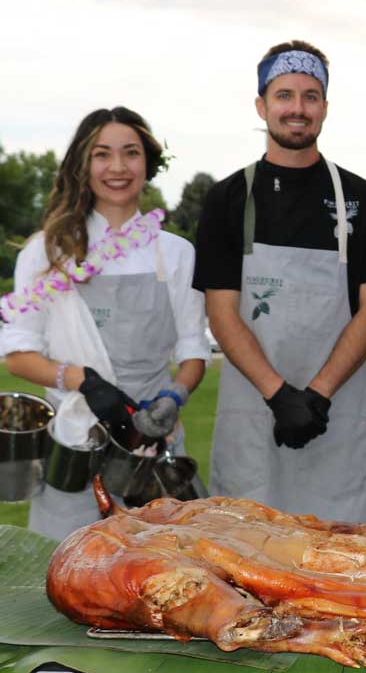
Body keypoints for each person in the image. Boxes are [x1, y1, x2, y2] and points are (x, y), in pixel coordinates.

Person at [194, 40, 366, 522]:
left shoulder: (362, 198)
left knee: (347, 565)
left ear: (325, 106)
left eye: (310, 96)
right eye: (284, 95)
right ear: (262, 105)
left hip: (338, 414)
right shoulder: (228, 199)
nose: (297, 109)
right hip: (254, 412)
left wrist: (318, 395)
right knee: (247, 561)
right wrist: (279, 395)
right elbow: (221, 313)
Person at [0, 107, 210, 539]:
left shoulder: (175, 254)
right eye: (102, 154)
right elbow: (18, 355)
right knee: (68, 583)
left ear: (147, 164)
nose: (117, 167)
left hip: (152, 448)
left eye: (130, 153)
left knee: (158, 581)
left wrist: (174, 395)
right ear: (83, 164)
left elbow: (193, 350)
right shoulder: (46, 255)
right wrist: (82, 379)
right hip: (73, 450)